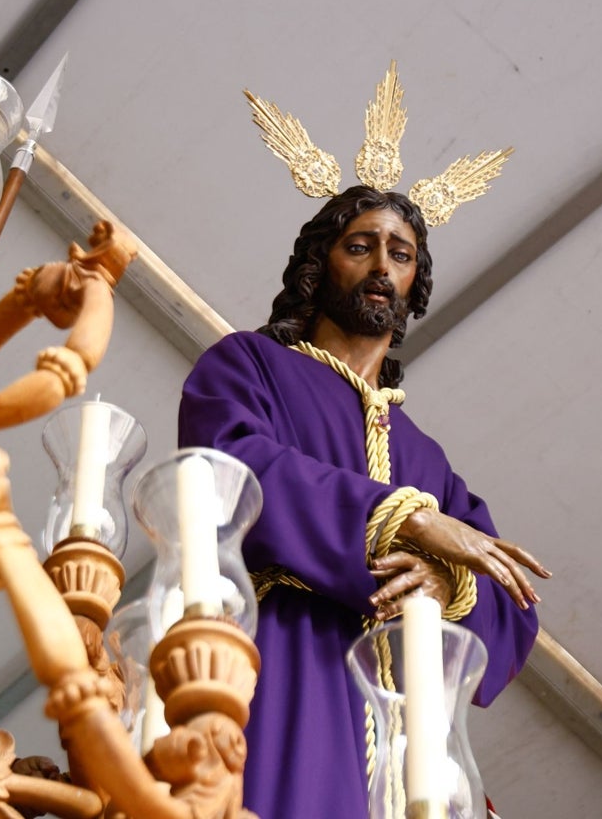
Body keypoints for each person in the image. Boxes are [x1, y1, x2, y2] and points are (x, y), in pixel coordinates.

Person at [177, 185, 551, 818]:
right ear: (319, 265)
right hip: (291, 662)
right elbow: (232, 466)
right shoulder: (252, 366)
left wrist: (446, 584)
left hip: (407, 726)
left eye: (401, 255)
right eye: (361, 247)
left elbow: (512, 614)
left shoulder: (428, 459)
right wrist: (413, 521)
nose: (382, 266)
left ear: (414, 285)